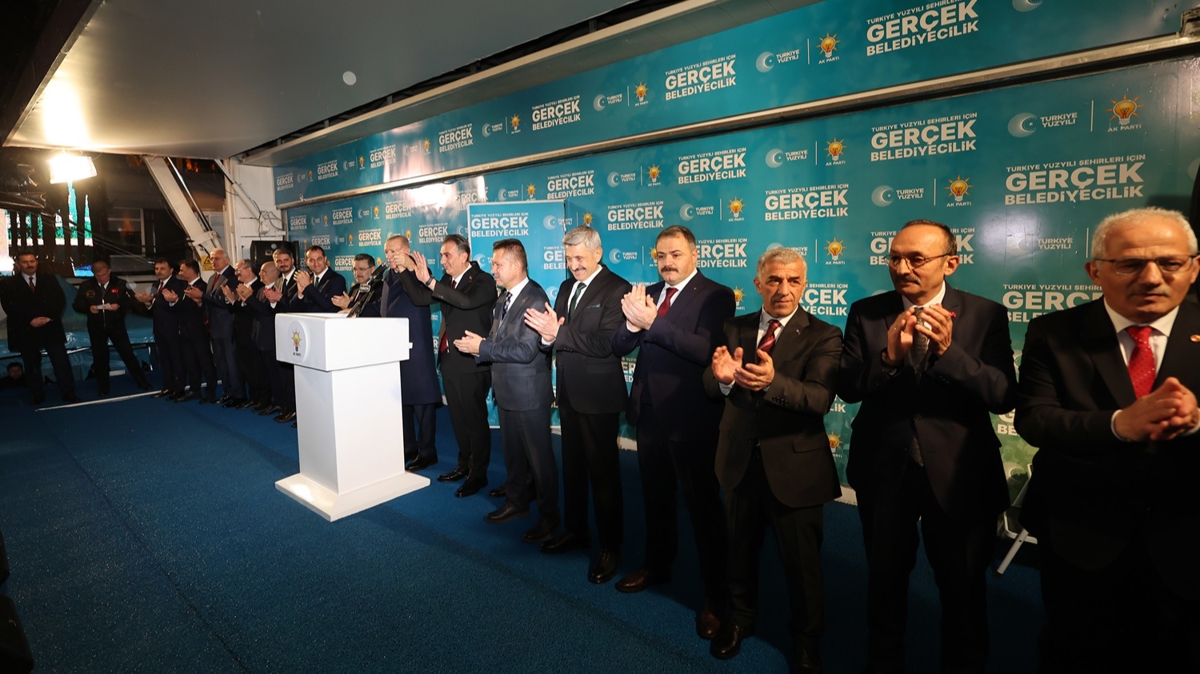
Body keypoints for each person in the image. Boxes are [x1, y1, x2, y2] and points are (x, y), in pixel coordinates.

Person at [1013, 206, 1200, 672]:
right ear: (1095, 271)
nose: (1151, 278)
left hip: (1186, 533)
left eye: (1170, 263)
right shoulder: (1054, 331)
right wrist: (1118, 424)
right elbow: (1034, 420)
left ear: (1194, 267)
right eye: (1130, 264)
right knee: (1075, 651)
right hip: (1081, 534)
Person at [836, 219, 1016, 674]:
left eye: (916, 258)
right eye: (895, 257)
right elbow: (849, 387)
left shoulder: (985, 314)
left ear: (950, 263)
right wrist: (888, 360)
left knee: (963, 591)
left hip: (960, 476)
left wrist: (949, 355)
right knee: (885, 584)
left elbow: (1002, 394)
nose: (902, 268)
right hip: (884, 472)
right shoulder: (866, 312)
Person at [701, 248, 842, 671]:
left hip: (796, 470)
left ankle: (806, 639)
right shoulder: (735, 326)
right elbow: (711, 381)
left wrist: (772, 382)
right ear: (758, 284)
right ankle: (741, 618)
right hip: (738, 461)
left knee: (802, 565)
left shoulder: (824, 334)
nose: (784, 289)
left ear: (805, 284)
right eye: (775, 280)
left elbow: (819, 398)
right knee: (739, 552)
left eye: (793, 280)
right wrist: (723, 381)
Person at [611, 225, 735, 641]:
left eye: (676, 254)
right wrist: (633, 326)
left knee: (703, 510)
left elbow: (707, 350)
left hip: (691, 419)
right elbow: (618, 345)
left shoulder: (716, 296)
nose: (667, 262)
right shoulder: (646, 292)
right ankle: (657, 565)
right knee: (656, 499)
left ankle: (716, 596)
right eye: (661, 255)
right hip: (648, 416)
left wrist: (653, 322)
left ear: (694, 255)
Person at [524, 225, 631, 584]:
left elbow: (608, 344)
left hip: (599, 398)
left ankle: (610, 547)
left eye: (580, 257)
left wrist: (558, 334)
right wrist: (546, 337)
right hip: (569, 394)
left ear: (598, 253)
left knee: (604, 476)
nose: (573, 265)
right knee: (572, 469)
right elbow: (555, 332)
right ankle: (576, 531)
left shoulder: (618, 288)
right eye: (569, 258)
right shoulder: (567, 287)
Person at [454, 239, 558, 543]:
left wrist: (482, 348)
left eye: (498, 264)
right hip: (507, 391)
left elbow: (526, 351)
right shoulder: (503, 299)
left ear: (516, 265)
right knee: (513, 455)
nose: (493, 270)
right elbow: (497, 341)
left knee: (540, 461)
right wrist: (478, 345)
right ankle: (517, 503)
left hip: (529, 395)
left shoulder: (535, 298)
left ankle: (550, 518)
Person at [402, 235, 496, 495]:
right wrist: (405, 271)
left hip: (473, 363)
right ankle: (464, 465)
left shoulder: (483, 280)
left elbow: (465, 301)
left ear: (464, 256)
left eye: (447, 255)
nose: (442, 261)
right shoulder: (447, 280)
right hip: (450, 361)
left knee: (475, 421)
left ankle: (479, 474)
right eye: (442, 255)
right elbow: (420, 298)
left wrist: (430, 281)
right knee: (458, 419)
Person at [360, 235, 440, 472]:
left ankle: (428, 451)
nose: (389, 256)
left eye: (394, 251)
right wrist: (354, 309)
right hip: (393, 346)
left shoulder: (420, 271)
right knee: (401, 400)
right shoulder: (388, 275)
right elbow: (383, 307)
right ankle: (409, 445)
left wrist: (410, 267)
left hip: (416, 345)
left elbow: (421, 293)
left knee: (423, 402)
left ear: (406, 251)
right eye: (387, 252)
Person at [0, 250, 80, 405]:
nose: (29, 265)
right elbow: (9, 306)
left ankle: (68, 393)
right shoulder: (7, 284)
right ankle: (36, 395)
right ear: (18, 264)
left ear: (36, 262)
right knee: (31, 365)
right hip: (25, 328)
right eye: (25, 262)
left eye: (32, 261)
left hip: (50, 326)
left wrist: (47, 317)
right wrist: (30, 320)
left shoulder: (49, 279)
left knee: (61, 362)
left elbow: (59, 300)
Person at [71, 258, 151, 395]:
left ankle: (142, 381)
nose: (101, 278)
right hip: (96, 326)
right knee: (99, 357)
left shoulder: (121, 284)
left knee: (127, 354)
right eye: (97, 276)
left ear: (109, 271)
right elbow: (77, 305)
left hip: (116, 325)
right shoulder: (86, 286)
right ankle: (103, 387)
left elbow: (131, 304)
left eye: (103, 275)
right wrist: (88, 308)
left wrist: (119, 307)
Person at [195, 249, 243, 406]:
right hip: (214, 325)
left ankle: (238, 394)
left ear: (226, 260)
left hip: (227, 325)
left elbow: (224, 302)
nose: (213, 261)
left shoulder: (232, 277)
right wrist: (201, 301)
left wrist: (202, 296)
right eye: (211, 259)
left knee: (231, 362)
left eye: (217, 258)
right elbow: (210, 301)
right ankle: (228, 391)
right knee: (221, 362)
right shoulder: (211, 278)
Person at [134, 258, 186, 399]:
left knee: (176, 358)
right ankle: (168, 386)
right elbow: (154, 308)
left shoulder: (178, 284)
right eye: (156, 268)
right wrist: (147, 303)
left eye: (162, 268)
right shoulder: (156, 284)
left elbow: (178, 306)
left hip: (173, 327)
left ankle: (179, 388)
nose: (158, 271)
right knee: (164, 359)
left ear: (171, 270)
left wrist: (155, 301)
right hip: (159, 327)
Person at [223, 259, 267, 410]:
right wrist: (230, 300)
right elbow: (235, 310)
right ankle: (254, 397)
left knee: (258, 369)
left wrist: (236, 301)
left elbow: (253, 311)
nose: (236, 273)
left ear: (249, 269)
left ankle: (263, 399)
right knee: (247, 369)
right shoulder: (240, 287)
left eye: (239, 270)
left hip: (253, 335)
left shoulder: (259, 287)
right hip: (239, 334)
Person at [171, 258, 217, 403]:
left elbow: (196, 308)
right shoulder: (183, 287)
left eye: (182, 270)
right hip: (185, 331)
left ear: (191, 270)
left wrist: (175, 301)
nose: (180, 273)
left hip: (199, 331)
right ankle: (194, 389)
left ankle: (210, 392)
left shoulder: (202, 287)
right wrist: (174, 301)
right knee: (190, 363)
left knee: (205, 363)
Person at [244, 260, 285, 417]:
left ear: (274, 274)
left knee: (277, 375)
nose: (260, 274)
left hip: (272, 339)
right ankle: (272, 401)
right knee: (266, 374)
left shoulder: (278, 290)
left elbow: (267, 312)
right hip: (260, 338)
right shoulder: (261, 290)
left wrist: (249, 298)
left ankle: (282, 403)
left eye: (263, 271)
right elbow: (255, 313)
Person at [293, 245, 347, 313]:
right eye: (311, 260)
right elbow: (292, 309)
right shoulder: (307, 278)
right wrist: (300, 294)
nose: (316, 264)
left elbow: (331, 308)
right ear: (306, 262)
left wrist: (308, 286)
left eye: (319, 259)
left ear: (325, 259)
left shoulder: (337, 279)